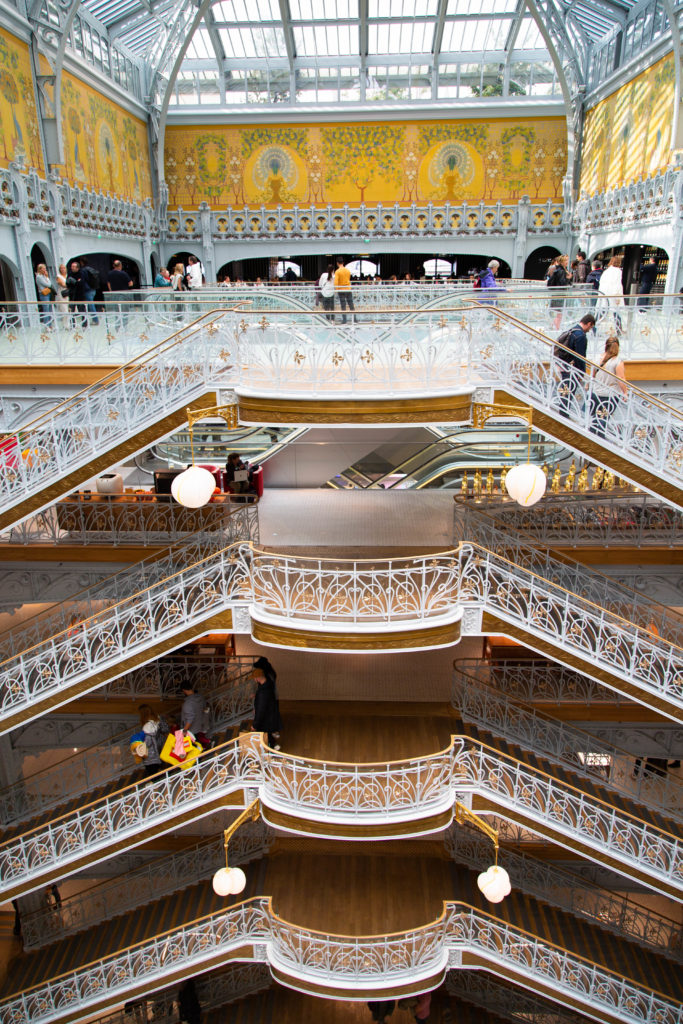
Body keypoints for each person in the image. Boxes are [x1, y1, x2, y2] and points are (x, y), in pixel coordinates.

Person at [554, 313, 596, 415]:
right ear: (589, 323)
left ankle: (563, 411)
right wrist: (581, 373)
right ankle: (564, 413)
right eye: (591, 327)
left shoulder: (572, 330)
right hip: (572, 368)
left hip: (564, 365)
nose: (589, 330)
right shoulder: (581, 335)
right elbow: (580, 357)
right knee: (568, 391)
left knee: (565, 390)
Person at [590, 336, 627, 437]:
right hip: (610, 394)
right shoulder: (617, 362)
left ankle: (591, 438)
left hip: (596, 392)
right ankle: (600, 440)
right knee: (603, 418)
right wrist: (625, 392)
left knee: (595, 417)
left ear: (605, 346)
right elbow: (621, 378)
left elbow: (592, 375)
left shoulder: (597, 358)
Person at [252, 668, 282, 750]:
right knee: (268, 732)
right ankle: (273, 744)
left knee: (264, 734)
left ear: (258, 677)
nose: (254, 679)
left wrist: (255, 725)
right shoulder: (268, 683)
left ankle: (271, 749)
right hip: (271, 714)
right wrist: (257, 695)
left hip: (266, 718)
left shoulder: (263, 692)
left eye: (255, 678)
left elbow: (261, 710)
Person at [596, 255, 625, 332]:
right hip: (613, 294)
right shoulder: (618, 271)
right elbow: (617, 284)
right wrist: (617, 296)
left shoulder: (607, 271)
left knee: (602, 311)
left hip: (604, 293)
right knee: (616, 312)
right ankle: (619, 329)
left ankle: (594, 327)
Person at [138, 704, 169, 776]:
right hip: (161, 745)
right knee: (160, 766)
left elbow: (148, 743)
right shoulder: (158, 718)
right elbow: (166, 729)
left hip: (152, 752)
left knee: (152, 771)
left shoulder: (147, 727)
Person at [180, 682, 211, 746]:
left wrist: (184, 730)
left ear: (184, 690)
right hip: (200, 726)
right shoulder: (201, 697)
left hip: (191, 730)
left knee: (193, 747)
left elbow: (190, 718)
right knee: (199, 743)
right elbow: (204, 709)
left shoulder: (187, 703)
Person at [107, 259, 134, 327]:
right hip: (123, 294)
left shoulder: (110, 273)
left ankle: (117, 327)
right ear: (120, 265)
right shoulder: (123, 273)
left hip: (114, 294)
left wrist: (111, 291)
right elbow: (130, 283)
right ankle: (124, 328)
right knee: (124, 312)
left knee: (117, 311)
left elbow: (108, 283)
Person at [78, 257, 100, 325]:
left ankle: (95, 320)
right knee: (91, 304)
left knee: (90, 305)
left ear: (81, 262)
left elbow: (84, 280)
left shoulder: (83, 270)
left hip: (87, 290)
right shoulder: (91, 269)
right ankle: (94, 319)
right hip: (93, 289)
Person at [334, 256, 354, 324]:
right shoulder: (347, 270)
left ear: (337, 263)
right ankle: (354, 319)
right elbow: (348, 279)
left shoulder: (337, 271)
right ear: (343, 262)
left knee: (343, 305)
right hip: (348, 289)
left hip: (341, 289)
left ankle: (344, 320)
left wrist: (336, 290)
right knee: (351, 304)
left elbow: (336, 282)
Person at [66, 259, 86, 327]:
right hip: (72, 295)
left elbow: (81, 283)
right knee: (71, 310)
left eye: (74, 267)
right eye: (72, 266)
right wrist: (71, 282)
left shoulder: (81, 273)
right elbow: (67, 283)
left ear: (77, 268)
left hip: (80, 295)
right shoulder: (70, 273)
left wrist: (75, 282)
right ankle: (73, 325)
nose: (72, 268)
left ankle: (84, 324)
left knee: (82, 310)